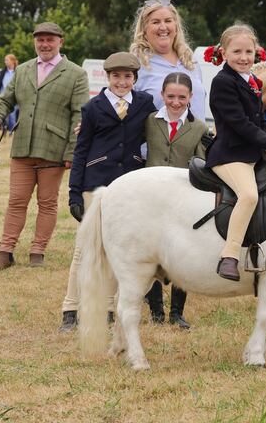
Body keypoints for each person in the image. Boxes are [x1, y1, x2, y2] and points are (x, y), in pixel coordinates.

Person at [59, 52, 156, 332]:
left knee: (119, 249)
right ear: (107, 77)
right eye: (116, 76)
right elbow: (81, 152)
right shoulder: (93, 108)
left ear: (135, 79)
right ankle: (71, 308)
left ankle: (111, 308)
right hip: (96, 182)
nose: (121, 82)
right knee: (86, 250)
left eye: (127, 77)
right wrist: (75, 193)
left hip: (129, 186)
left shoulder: (145, 104)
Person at [0, 22, 89, 270]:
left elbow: (80, 116)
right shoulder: (22, 70)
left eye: (50, 39)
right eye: (40, 40)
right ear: (35, 42)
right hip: (22, 147)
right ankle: (5, 251)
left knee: (47, 202)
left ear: (60, 42)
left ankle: (37, 252)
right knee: (16, 200)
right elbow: (5, 100)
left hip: (54, 149)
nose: (44, 44)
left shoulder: (75, 74)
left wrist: (72, 151)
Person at [206, 24, 266, 281]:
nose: (244, 57)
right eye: (237, 52)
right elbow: (241, 125)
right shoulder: (222, 82)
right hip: (230, 154)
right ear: (224, 53)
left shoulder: (252, 81)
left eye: (248, 51)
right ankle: (229, 256)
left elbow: (260, 122)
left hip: (251, 153)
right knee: (248, 195)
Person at [143, 72, 208, 329]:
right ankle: (156, 311)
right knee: (152, 252)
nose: (176, 102)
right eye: (170, 96)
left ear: (191, 97)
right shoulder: (149, 121)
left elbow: (202, 164)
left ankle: (177, 312)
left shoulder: (199, 127)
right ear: (162, 95)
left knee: (181, 254)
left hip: (182, 197)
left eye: (182, 97)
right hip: (152, 195)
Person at [129, 0, 206, 121]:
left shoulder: (191, 61)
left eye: (168, 21)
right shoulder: (136, 65)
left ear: (176, 26)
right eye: (156, 22)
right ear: (144, 29)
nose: (163, 27)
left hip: (197, 139)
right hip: (157, 140)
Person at [0, 54, 19, 133]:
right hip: (3, 97)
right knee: (3, 115)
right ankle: (3, 131)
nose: (5, 62)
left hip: (13, 97)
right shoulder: (2, 72)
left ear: (12, 61)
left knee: (12, 116)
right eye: (5, 60)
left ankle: (12, 132)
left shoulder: (17, 72)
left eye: (7, 60)